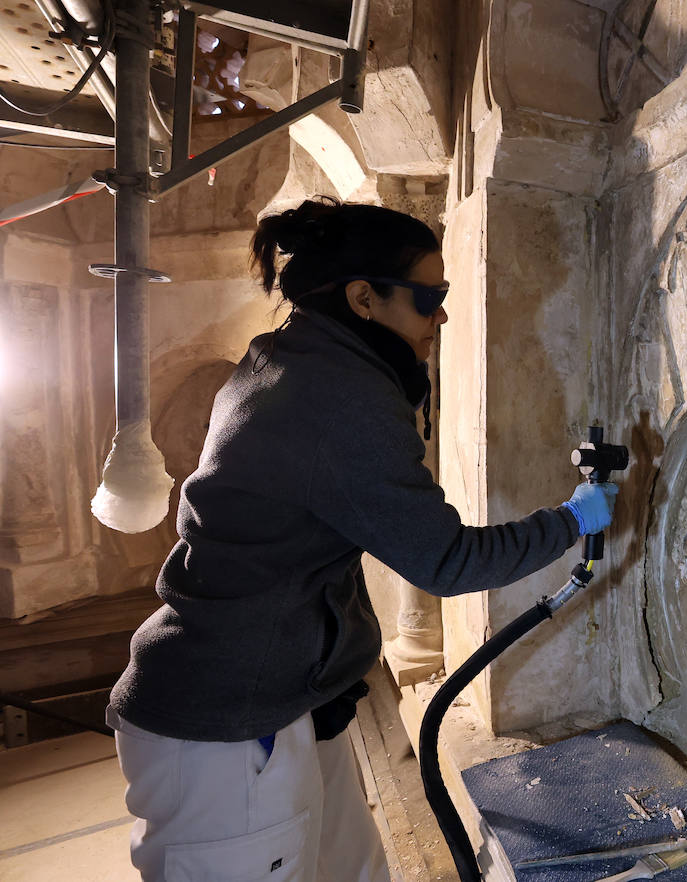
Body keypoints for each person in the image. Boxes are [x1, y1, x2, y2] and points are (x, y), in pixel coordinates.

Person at [105, 198, 618, 882]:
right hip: (227, 732)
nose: (440, 315)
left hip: (282, 703)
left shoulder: (287, 357)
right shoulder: (339, 396)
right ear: (363, 297)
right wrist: (571, 520)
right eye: (429, 297)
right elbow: (445, 559)